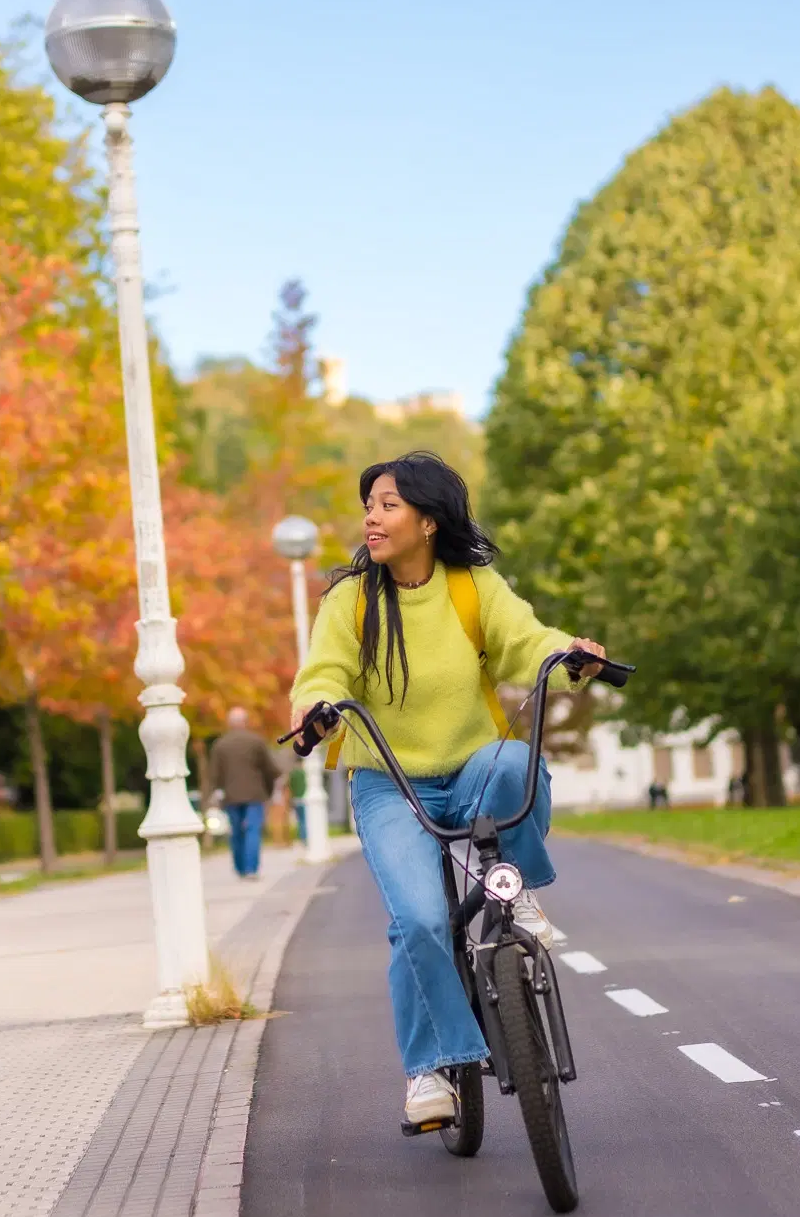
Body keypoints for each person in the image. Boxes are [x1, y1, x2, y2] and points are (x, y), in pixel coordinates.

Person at [290, 451, 607, 1129]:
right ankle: (430, 1070)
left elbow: (525, 639)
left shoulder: (471, 585)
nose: (372, 517)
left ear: (428, 521)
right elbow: (326, 671)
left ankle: (515, 890)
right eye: (369, 505)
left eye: (388, 504)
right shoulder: (351, 598)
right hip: (390, 785)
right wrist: (317, 706)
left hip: (468, 768)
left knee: (512, 760)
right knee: (420, 920)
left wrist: (566, 654)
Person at [207, 707, 281, 879]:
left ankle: (240, 868)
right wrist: (272, 788)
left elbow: (215, 773)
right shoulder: (256, 741)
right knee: (252, 830)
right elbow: (269, 769)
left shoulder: (220, 744)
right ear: (245, 722)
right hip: (254, 794)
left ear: (229, 723)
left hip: (231, 796)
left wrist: (217, 792)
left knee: (236, 832)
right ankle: (251, 870)